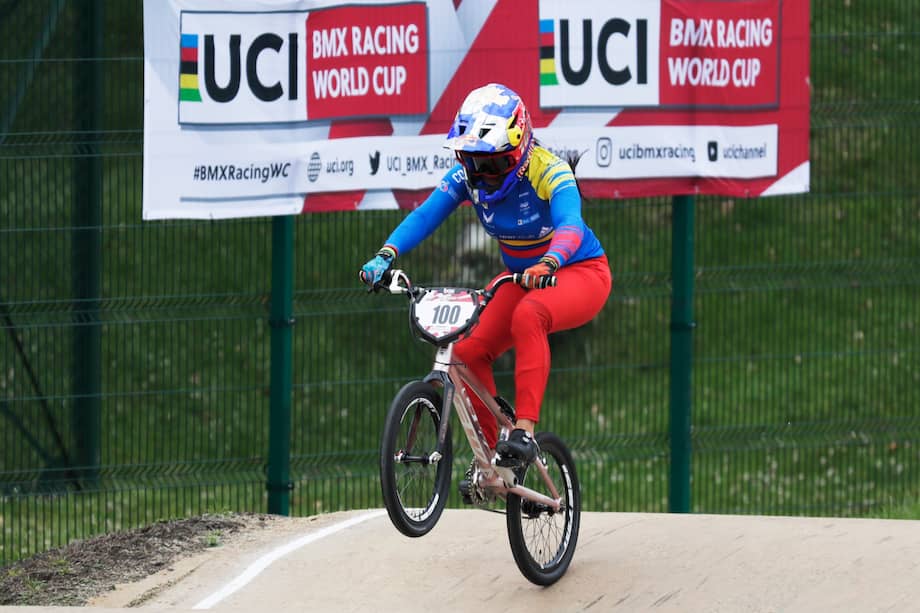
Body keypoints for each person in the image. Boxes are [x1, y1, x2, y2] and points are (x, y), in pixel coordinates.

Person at [360, 83, 611, 467]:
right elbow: (426, 214)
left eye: (490, 163)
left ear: (517, 152)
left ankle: (524, 433)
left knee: (531, 315)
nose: (481, 173)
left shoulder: (549, 171)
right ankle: (496, 456)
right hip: (522, 278)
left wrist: (550, 262)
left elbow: (571, 224)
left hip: (578, 273)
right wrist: (386, 253)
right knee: (464, 352)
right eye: (471, 160)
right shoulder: (467, 177)